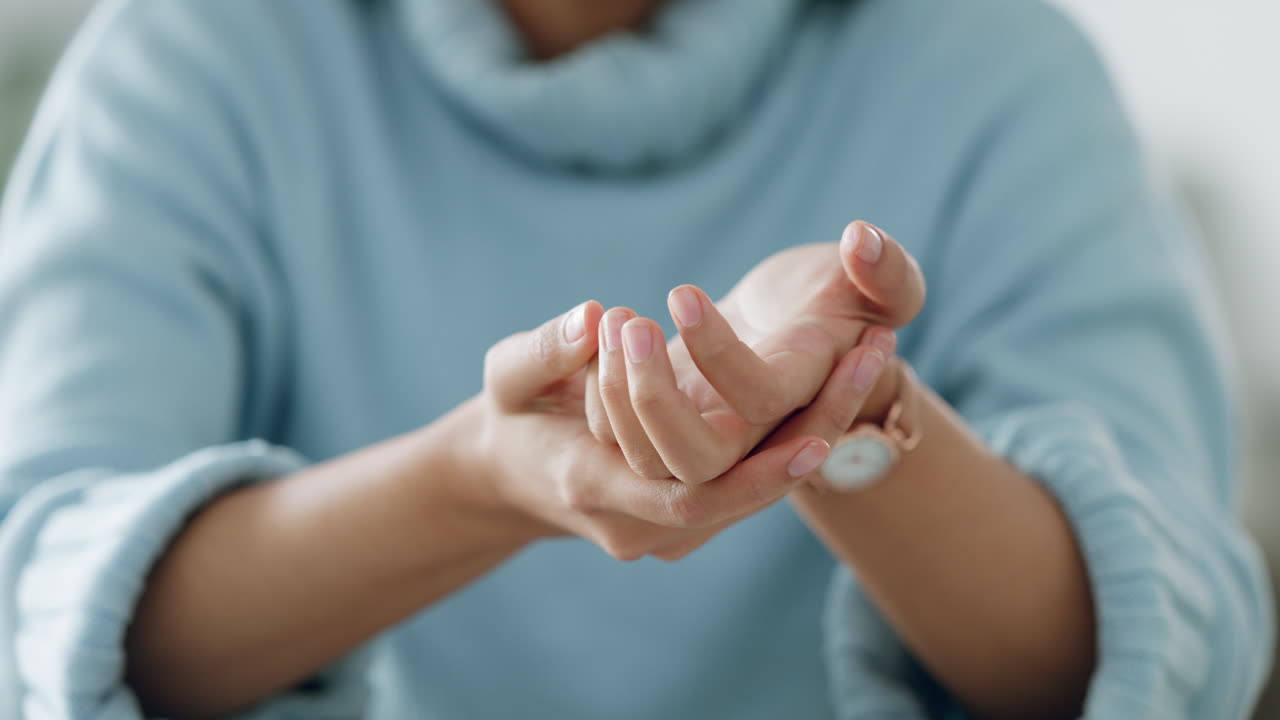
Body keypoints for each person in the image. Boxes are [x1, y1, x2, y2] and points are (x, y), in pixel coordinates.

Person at [0, 0, 1271, 718]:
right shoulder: (191, 59)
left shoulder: (1000, 72)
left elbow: (1160, 654)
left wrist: (843, 411)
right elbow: (40, 613)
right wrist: (474, 479)